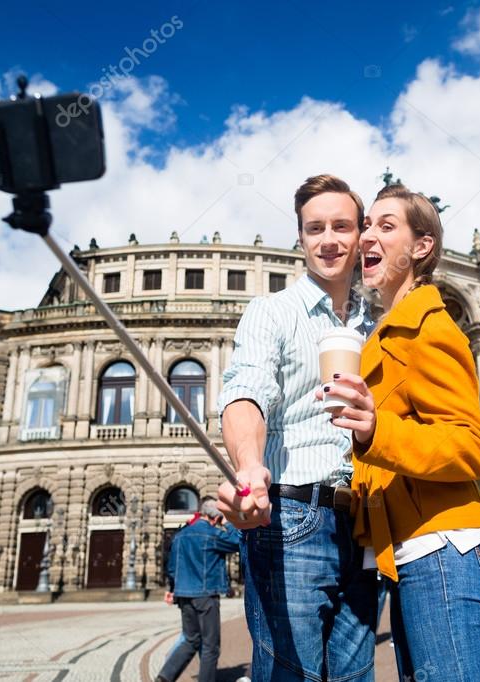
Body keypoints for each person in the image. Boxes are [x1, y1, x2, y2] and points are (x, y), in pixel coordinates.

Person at [323, 183, 480, 682]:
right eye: (366, 227)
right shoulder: (388, 329)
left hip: (445, 547)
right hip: (413, 550)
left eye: (386, 226)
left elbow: (472, 447)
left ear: (421, 247)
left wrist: (377, 430)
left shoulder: (429, 327)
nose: (365, 238)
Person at [216, 175, 380, 681]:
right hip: (292, 518)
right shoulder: (272, 312)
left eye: (341, 226)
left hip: (366, 522)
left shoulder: (376, 324)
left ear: (359, 236)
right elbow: (247, 390)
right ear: (302, 238)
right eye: (315, 228)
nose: (328, 239)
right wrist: (250, 468)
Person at [157, 498, 241, 682]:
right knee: (211, 645)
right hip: (205, 595)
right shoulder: (211, 534)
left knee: (190, 639)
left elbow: (171, 568)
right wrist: (228, 522)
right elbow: (238, 542)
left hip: (184, 594)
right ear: (215, 518)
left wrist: (173, 589)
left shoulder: (180, 535)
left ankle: (165, 677)